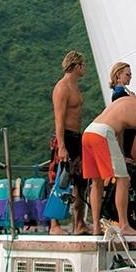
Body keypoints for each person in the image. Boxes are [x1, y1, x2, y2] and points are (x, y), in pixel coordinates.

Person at [82, 94, 136, 235]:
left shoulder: (129, 100)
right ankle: (124, 225)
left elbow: (119, 131)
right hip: (104, 134)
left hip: (89, 132)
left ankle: (96, 228)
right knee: (123, 179)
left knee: (97, 182)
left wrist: (120, 155)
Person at [49, 50, 90, 235]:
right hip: (64, 137)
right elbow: (59, 119)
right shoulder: (62, 87)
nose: (85, 69)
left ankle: (79, 223)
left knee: (81, 182)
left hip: (76, 137)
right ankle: (54, 225)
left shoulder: (75, 87)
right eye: (83, 65)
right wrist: (62, 146)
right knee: (58, 180)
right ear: (76, 66)